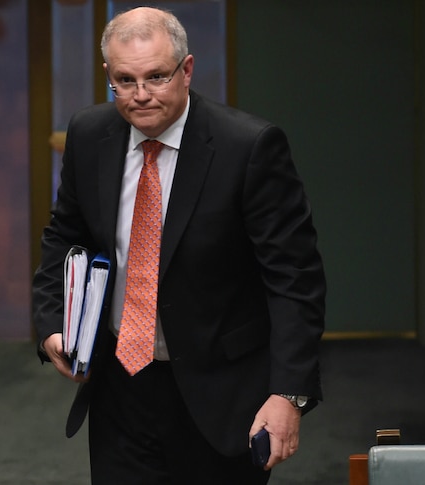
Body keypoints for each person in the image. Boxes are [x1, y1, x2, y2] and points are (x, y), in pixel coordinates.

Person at [32, 7, 325, 484]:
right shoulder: (89, 134)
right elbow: (63, 236)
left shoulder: (248, 147)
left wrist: (288, 394)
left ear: (186, 70)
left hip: (223, 392)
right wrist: (50, 323)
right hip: (120, 387)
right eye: (125, 81)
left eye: (156, 77)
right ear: (108, 75)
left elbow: (294, 279)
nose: (141, 95)